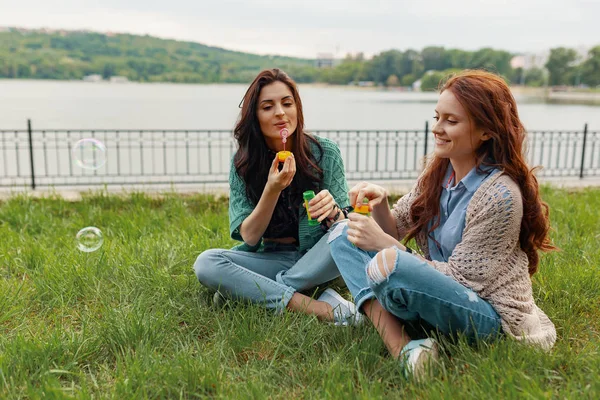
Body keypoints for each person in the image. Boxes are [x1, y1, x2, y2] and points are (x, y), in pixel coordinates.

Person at [328, 70, 557, 377]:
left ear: (488, 130)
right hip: (432, 292)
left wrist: (386, 247)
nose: (437, 128)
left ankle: (391, 326)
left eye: (452, 121)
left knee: (392, 263)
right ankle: (403, 347)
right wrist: (381, 204)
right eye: (437, 117)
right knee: (343, 235)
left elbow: (460, 281)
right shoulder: (438, 173)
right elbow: (396, 230)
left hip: (486, 313)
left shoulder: (500, 196)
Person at [194, 68, 361, 325]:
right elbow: (249, 236)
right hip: (272, 257)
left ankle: (253, 290)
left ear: (297, 109)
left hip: (319, 258)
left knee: (349, 229)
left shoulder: (325, 153)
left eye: (287, 103)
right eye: (268, 106)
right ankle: (319, 308)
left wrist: (335, 212)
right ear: (255, 116)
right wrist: (271, 190)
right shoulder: (244, 164)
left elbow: (345, 227)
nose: (280, 113)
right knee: (207, 263)